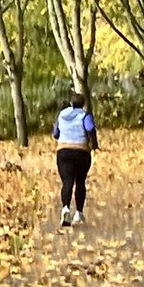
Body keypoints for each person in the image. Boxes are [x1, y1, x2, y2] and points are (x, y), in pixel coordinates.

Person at [52, 92, 98, 227]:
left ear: (71, 103)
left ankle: (65, 208)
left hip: (63, 152)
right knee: (80, 182)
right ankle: (78, 213)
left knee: (67, 182)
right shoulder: (85, 115)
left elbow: (56, 133)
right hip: (81, 152)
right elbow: (90, 129)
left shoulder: (62, 115)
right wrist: (94, 144)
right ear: (83, 104)